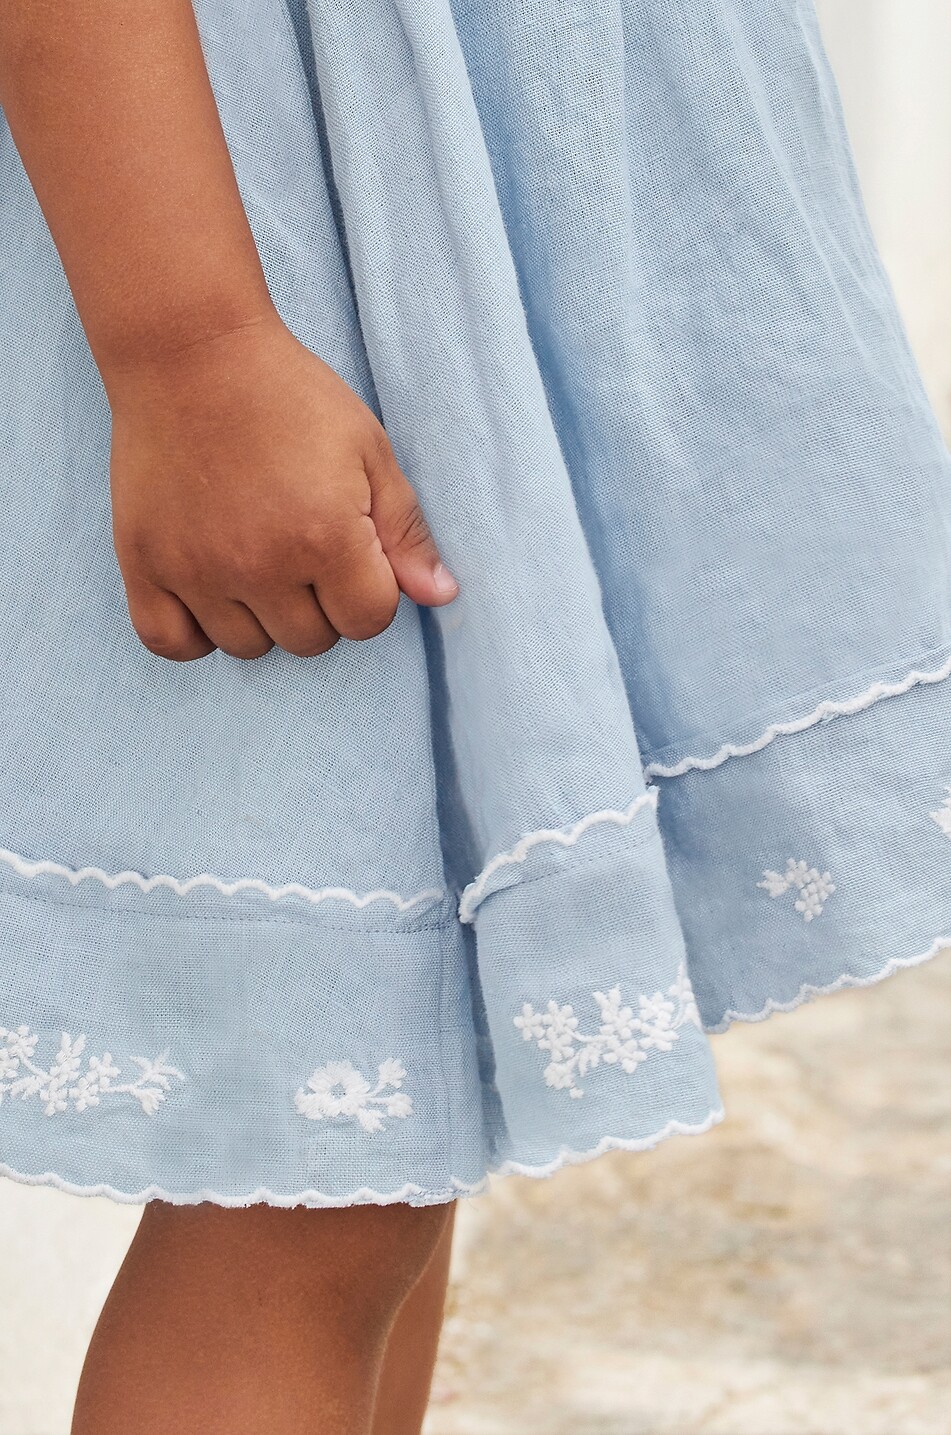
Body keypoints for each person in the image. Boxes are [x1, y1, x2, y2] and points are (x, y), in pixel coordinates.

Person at [0, 2, 948, 1431]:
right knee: (311, 1180)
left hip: (490, 190)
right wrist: (192, 347)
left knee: (393, 1114)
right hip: (252, 225)